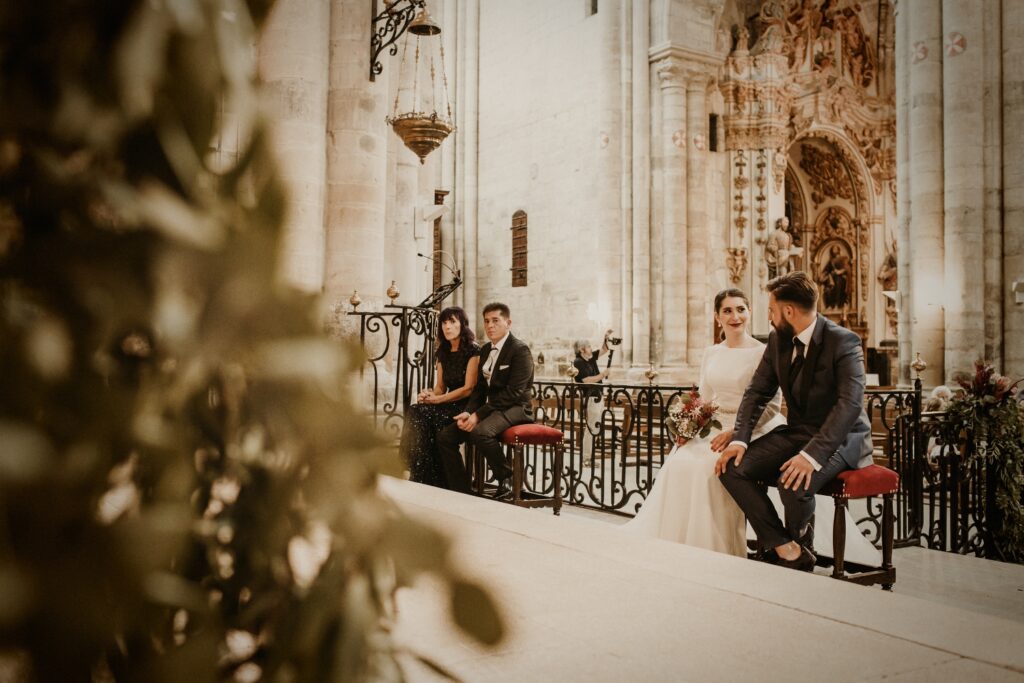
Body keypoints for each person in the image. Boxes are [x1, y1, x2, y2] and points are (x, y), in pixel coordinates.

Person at [716, 271, 873, 571]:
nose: (770, 318)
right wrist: (740, 439)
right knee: (732, 467)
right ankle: (787, 548)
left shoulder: (844, 342)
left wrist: (811, 456)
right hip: (798, 431)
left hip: (841, 438)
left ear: (788, 311)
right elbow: (757, 392)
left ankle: (801, 549)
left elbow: (849, 406)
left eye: (772, 311)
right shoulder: (779, 340)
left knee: (793, 483)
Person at [623, 289, 783, 554]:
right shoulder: (712, 352)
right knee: (680, 460)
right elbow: (704, 399)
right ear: (717, 317)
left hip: (751, 428)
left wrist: (737, 432)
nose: (736, 316)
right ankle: (680, 543)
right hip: (716, 426)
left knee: (709, 468)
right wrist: (689, 425)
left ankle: (718, 546)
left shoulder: (763, 352)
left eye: (741, 309)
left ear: (750, 311)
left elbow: (772, 406)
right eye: (728, 311)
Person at [437, 302, 534, 497]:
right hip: (494, 409)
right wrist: (468, 411)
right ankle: (460, 489)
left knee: (480, 432)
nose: (490, 325)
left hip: (517, 408)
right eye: (487, 321)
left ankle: (507, 478)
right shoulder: (486, 350)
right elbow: (480, 388)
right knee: (445, 437)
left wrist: (478, 416)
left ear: (508, 323)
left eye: (496, 321)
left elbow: (513, 393)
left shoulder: (519, 350)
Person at [399, 307, 480, 487]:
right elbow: (440, 387)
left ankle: (425, 476)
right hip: (447, 402)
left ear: (462, 325)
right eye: (444, 323)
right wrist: (428, 395)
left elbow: (468, 389)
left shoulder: (473, 351)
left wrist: (438, 400)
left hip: (466, 407)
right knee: (416, 409)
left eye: (452, 322)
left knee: (426, 416)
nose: (447, 327)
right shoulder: (442, 351)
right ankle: (421, 473)